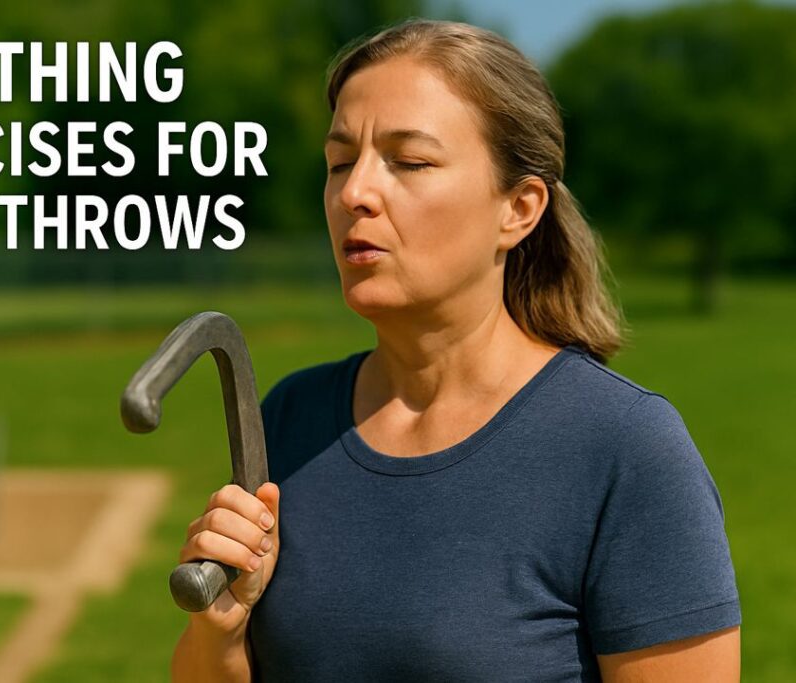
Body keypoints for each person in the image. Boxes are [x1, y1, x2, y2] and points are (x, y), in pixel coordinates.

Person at [171, 19, 741, 682]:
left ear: (519, 209)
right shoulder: (290, 417)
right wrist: (220, 629)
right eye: (338, 162)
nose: (355, 192)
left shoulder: (624, 449)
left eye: (409, 161)